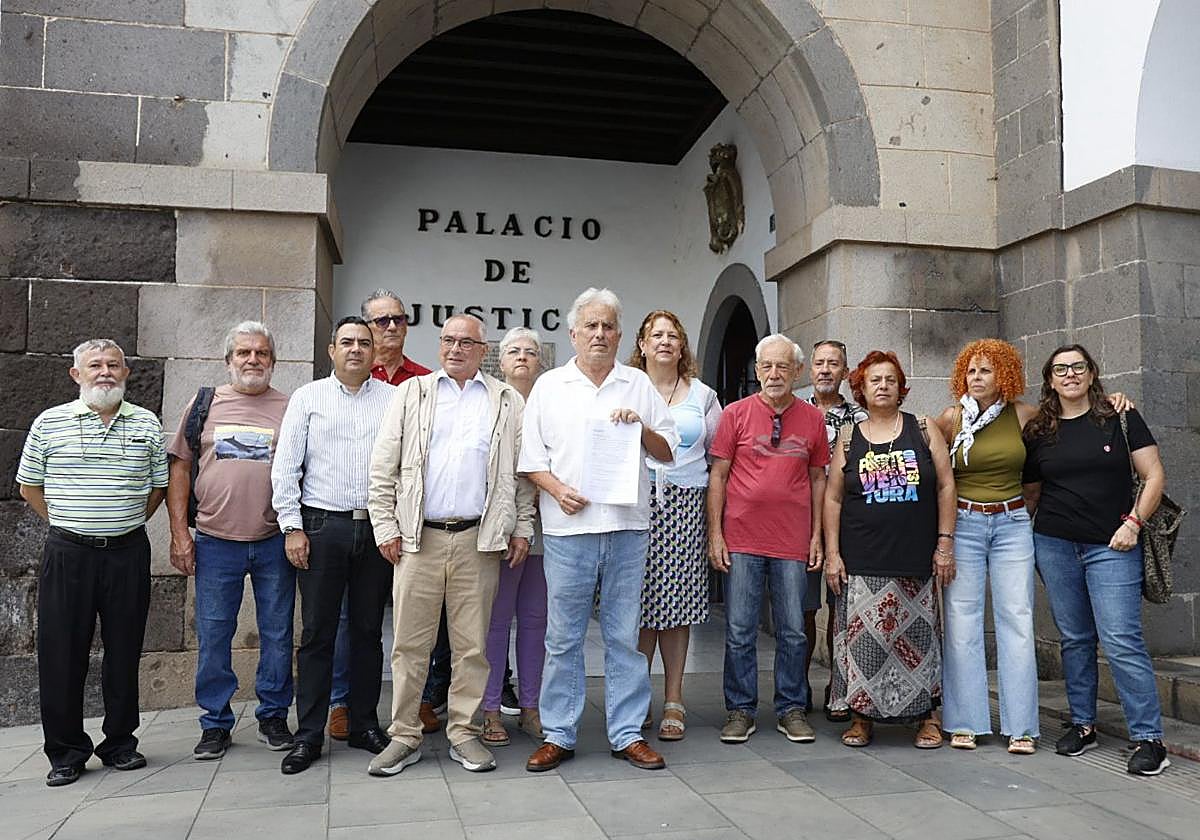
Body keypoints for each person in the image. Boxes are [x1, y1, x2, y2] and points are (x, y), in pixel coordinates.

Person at [366, 314, 534, 776]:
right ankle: (404, 735)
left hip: (479, 541)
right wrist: (386, 527)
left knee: (471, 647)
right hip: (419, 539)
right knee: (409, 646)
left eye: (466, 342)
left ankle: (465, 732)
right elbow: (384, 467)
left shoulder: (504, 400)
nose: (455, 348)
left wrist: (521, 527)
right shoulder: (413, 393)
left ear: (484, 351)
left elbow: (520, 474)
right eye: (448, 340)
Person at [519, 287, 678, 773]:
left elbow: (668, 450)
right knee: (562, 638)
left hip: (628, 528)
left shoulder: (637, 384)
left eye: (608, 326)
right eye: (590, 325)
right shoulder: (549, 386)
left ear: (620, 334)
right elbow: (530, 460)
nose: (600, 334)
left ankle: (627, 733)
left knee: (624, 636)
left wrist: (643, 428)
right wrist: (556, 488)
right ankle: (559, 733)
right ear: (573, 334)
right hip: (569, 531)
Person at [17, 339, 168, 787]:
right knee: (61, 653)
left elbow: (158, 486)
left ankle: (120, 743)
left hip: (127, 552)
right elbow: (29, 486)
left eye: (114, 365)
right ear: (76, 374)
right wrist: (71, 522)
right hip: (69, 554)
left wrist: (119, 522)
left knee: (124, 651)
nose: (105, 372)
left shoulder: (146, 423)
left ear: (126, 373)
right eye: (95, 365)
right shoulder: (50, 423)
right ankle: (65, 751)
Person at [1022, 344, 1170, 776]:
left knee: (1122, 639)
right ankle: (1083, 724)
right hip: (1054, 544)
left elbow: (1154, 473)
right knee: (1075, 638)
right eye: (1060, 369)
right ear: (1050, 379)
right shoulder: (1039, 431)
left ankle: (1148, 738)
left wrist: (1133, 523)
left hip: (1113, 545)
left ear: (1091, 373)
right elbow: (1032, 493)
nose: (1070, 375)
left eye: (1078, 367)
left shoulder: (1119, 417)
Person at [270, 317, 396, 774]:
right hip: (322, 528)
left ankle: (364, 724)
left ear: (375, 351)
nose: (357, 350)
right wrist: (291, 527)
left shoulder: (393, 399)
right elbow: (286, 468)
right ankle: (308, 735)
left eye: (365, 343)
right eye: (348, 343)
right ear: (331, 349)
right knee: (318, 635)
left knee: (367, 632)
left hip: (378, 529)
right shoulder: (308, 398)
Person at [167, 321, 295, 761]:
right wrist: (179, 533)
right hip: (215, 541)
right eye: (244, 353)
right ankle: (215, 723)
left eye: (261, 353)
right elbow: (180, 469)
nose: (253, 360)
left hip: (274, 539)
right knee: (214, 633)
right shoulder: (204, 404)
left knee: (278, 633)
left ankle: (274, 715)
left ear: (273, 362)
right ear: (229, 361)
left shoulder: (291, 407)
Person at [824, 350, 956, 749]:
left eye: (890, 380)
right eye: (874, 380)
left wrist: (944, 544)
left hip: (915, 558)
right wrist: (833, 554)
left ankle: (927, 719)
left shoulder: (923, 428)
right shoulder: (849, 438)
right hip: (862, 559)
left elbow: (946, 485)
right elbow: (832, 498)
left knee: (918, 640)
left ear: (902, 388)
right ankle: (863, 718)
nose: (883, 386)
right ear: (861, 389)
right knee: (865, 643)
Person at [327, 289, 438, 741]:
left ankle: (422, 699)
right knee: (350, 616)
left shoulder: (428, 381)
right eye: (381, 321)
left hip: (414, 518)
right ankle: (342, 702)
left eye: (398, 319)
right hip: (360, 518)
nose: (390, 326)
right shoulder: (350, 378)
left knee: (424, 613)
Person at [709, 334, 827, 744]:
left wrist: (817, 536)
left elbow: (818, 480)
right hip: (741, 538)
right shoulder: (735, 414)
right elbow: (718, 476)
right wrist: (715, 535)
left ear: (797, 372)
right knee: (739, 629)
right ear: (756, 371)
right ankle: (740, 710)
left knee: (794, 629)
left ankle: (791, 708)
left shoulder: (813, 420)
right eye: (766, 367)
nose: (774, 374)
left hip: (792, 541)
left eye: (782, 367)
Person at [627, 310, 721, 742]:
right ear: (642, 345)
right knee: (639, 606)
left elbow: (719, 459)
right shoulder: (626, 387)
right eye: (656, 335)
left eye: (673, 336)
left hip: (684, 504)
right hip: (635, 503)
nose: (665, 342)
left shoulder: (702, 395)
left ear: (682, 346)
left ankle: (674, 698)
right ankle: (635, 696)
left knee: (677, 606)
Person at [481, 327, 549, 747]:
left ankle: (531, 706)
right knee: (495, 621)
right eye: (514, 351)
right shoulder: (489, 403)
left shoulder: (551, 400)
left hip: (547, 526)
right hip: (502, 526)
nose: (522, 357)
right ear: (500, 361)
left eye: (531, 352)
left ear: (540, 361)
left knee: (537, 621)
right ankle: (489, 709)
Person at [806, 339, 867, 722]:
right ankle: (797, 686)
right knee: (803, 608)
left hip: (848, 523)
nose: (826, 370)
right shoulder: (795, 412)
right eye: (819, 363)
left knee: (841, 609)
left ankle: (837, 686)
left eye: (834, 364)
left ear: (845, 373)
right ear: (809, 370)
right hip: (802, 522)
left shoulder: (861, 419)